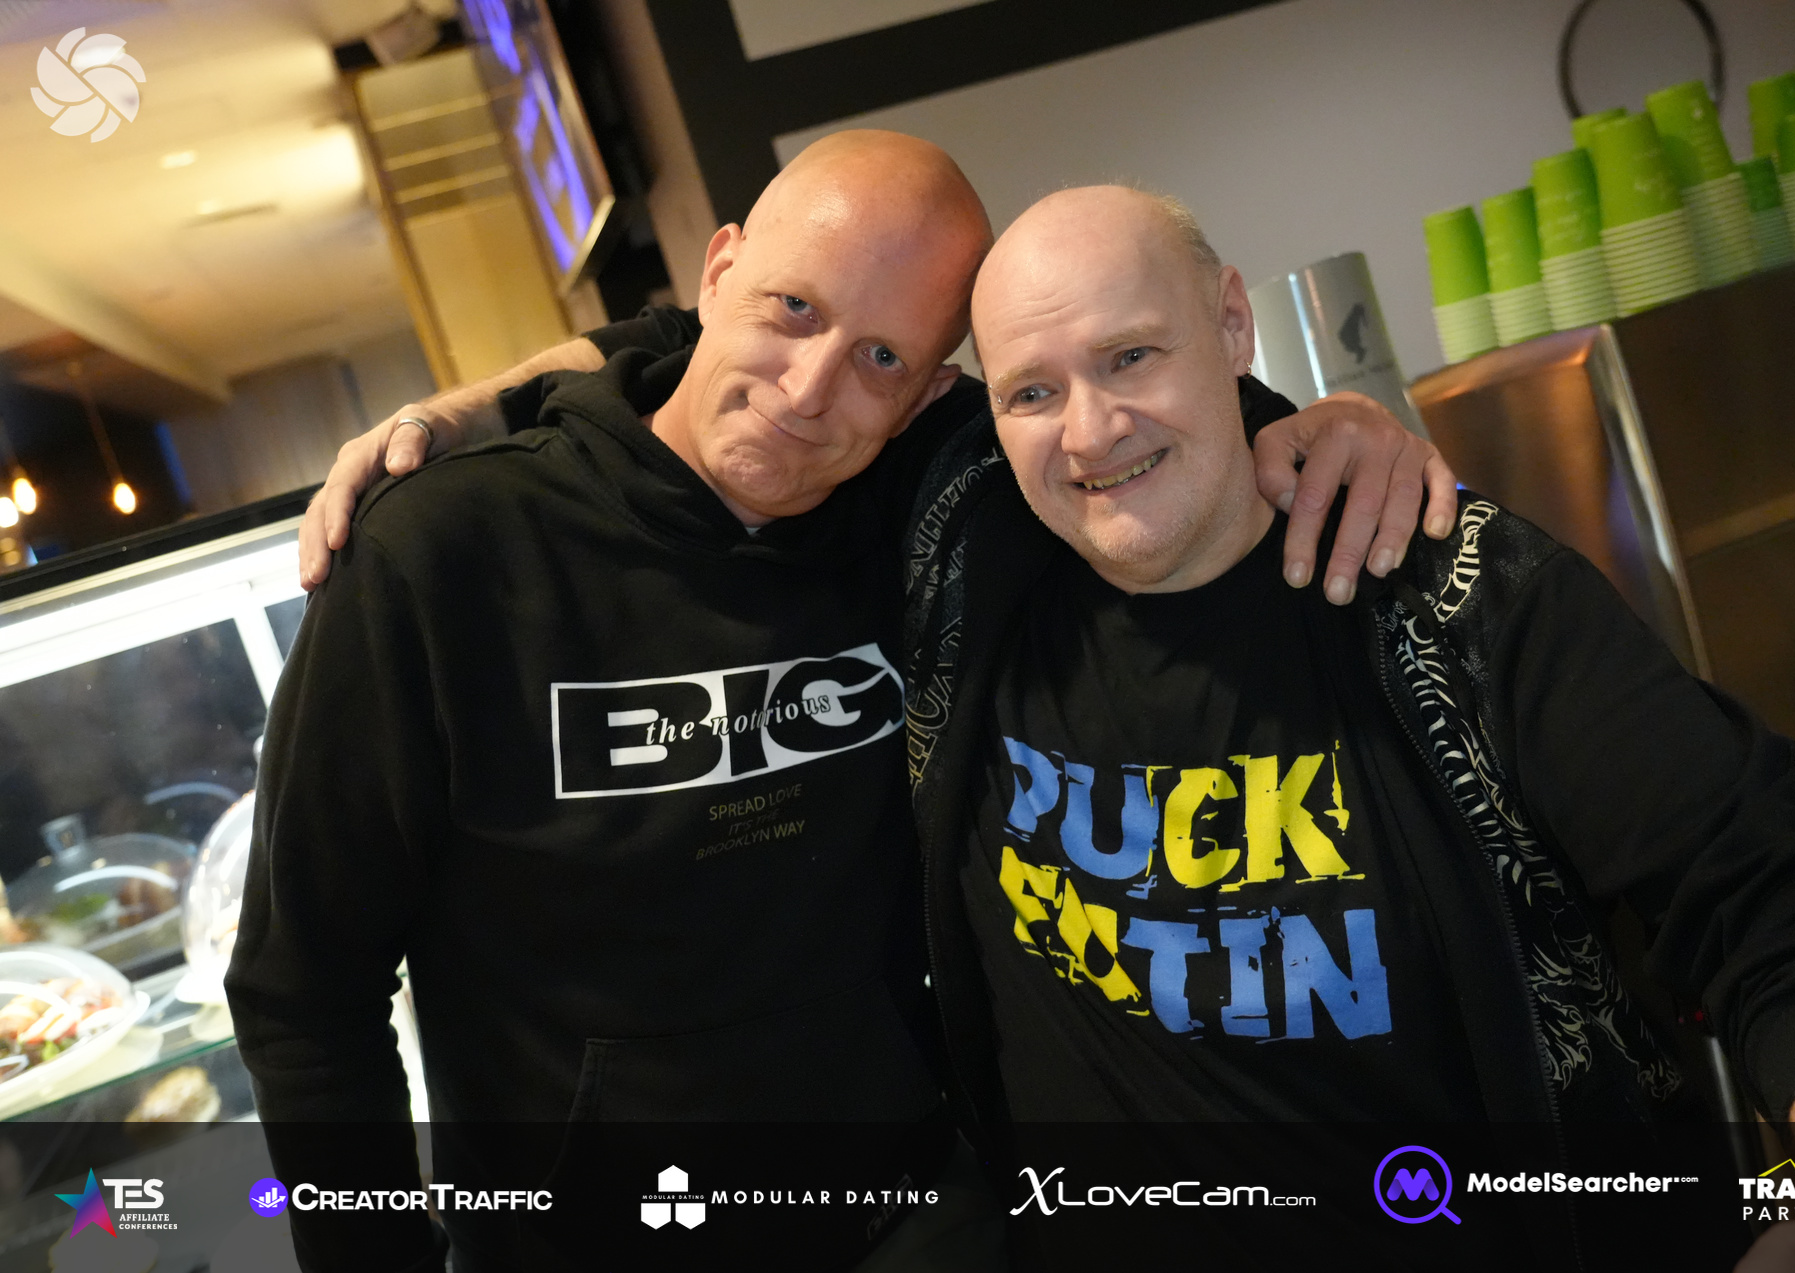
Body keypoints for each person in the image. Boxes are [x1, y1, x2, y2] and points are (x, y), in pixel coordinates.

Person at [232, 131, 1450, 1273]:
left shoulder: (924, 504)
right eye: (790, 309)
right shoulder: (444, 550)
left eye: (880, 359)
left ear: (927, 392)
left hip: (919, 1221)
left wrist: (1321, 427)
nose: (809, 389)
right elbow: (306, 992)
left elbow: (1122, 415)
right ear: (720, 271)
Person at [903, 185, 1795, 1269]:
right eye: (1032, 391)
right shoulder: (966, 596)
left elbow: (1778, 895)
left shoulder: (1461, 597)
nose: (1090, 429)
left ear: (1232, 324)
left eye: (1132, 356)